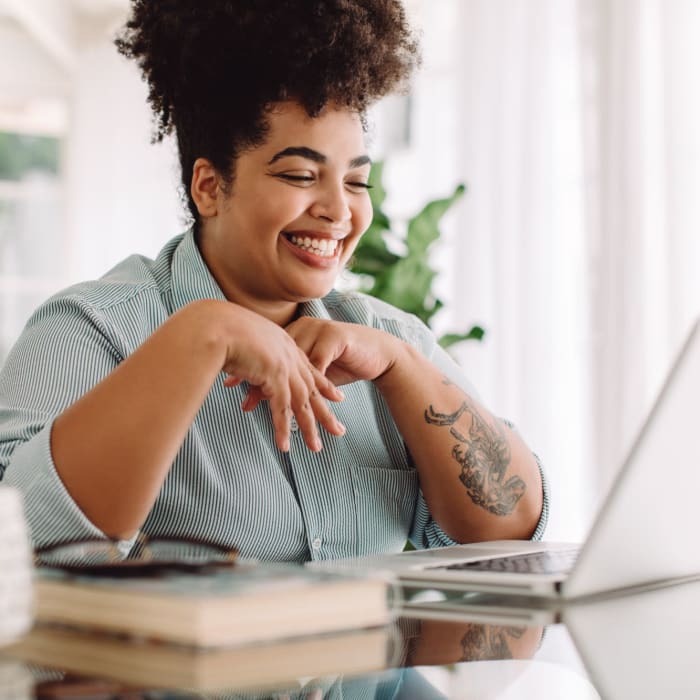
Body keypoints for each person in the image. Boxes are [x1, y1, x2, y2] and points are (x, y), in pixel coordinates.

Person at [0, 0, 547, 560]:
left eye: (357, 183)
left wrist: (403, 369)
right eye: (300, 175)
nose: (339, 211)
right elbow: (25, 542)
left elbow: (511, 530)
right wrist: (202, 334)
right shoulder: (88, 331)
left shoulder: (387, 339)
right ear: (209, 187)